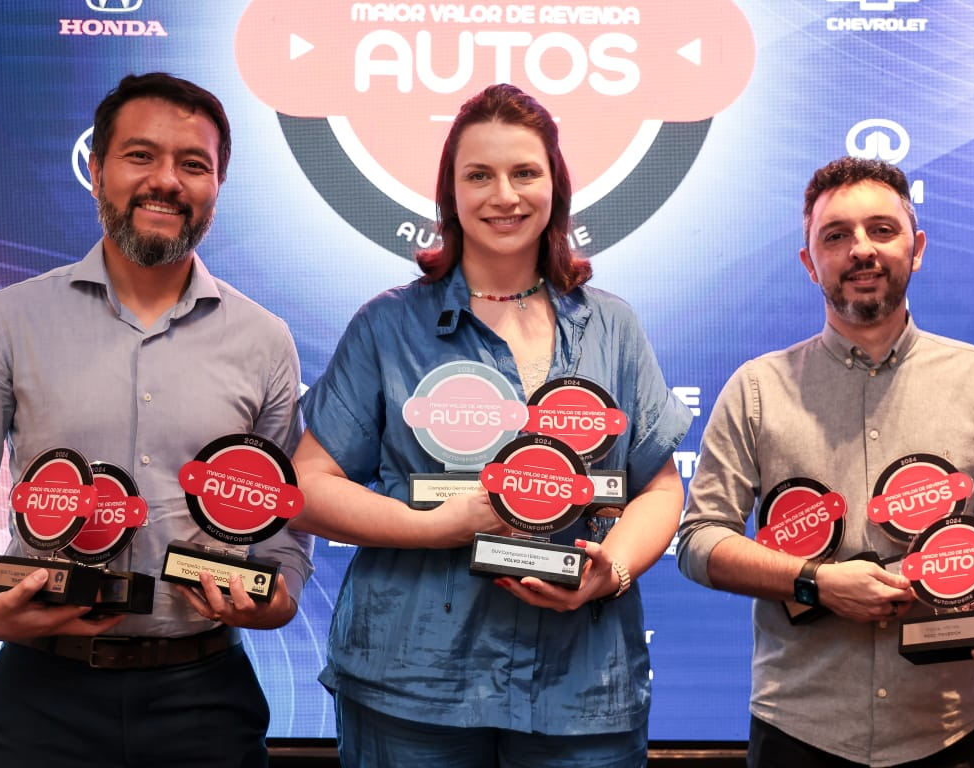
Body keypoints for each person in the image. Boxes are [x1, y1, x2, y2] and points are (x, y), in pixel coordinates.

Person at [0, 72, 312, 768]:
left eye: (193, 164)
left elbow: (282, 512)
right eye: (140, 156)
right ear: (96, 171)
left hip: (205, 699)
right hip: (41, 695)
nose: (167, 181)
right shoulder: (12, 320)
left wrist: (281, 591)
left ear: (218, 185)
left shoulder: (264, 339)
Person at [292, 83, 692, 767]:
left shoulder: (613, 327)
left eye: (524, 172)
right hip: (412, 685)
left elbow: (657, 489)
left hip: (581, 687)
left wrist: (612, 571)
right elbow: (307, 486)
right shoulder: (388, 326)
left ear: (555, 185)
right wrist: (436, 526)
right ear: (450, 193)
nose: (504, 195)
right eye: (479, 175)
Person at [676, 157, 974, 768]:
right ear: (809, 262)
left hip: (947, 729)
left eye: (882, 230)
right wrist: (815, 582)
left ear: (916, 248)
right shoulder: (757, 389)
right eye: (836, 235)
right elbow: (698, 541)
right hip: (799, 730)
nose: (862, 250)